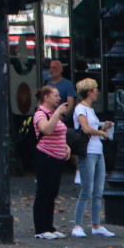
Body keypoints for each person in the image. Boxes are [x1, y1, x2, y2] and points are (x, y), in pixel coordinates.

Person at [71, 78, 114, 238]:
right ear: (89, 92)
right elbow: (86, 128)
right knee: (86, 189)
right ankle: (77, 225)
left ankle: (96, 225)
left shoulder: (90, 109)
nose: (97, 92)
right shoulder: (80, 109)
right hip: (88, 151)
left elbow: (92, 128)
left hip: (97, 150)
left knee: (98, 190)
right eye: (95, 89)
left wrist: (103, 128)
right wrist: (102, 132)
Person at [32, 85, 73, 239]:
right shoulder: (40, 114)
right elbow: (47, 130)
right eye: (56, 95)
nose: (59, 98)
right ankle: (40, 229)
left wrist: (66, 146)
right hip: (45, 156)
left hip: (57, 157)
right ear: (47, 97)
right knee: (43, 192)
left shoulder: (51, 113)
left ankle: (49, 226)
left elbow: (59, 132)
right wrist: (57, 113)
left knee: (52, 192)